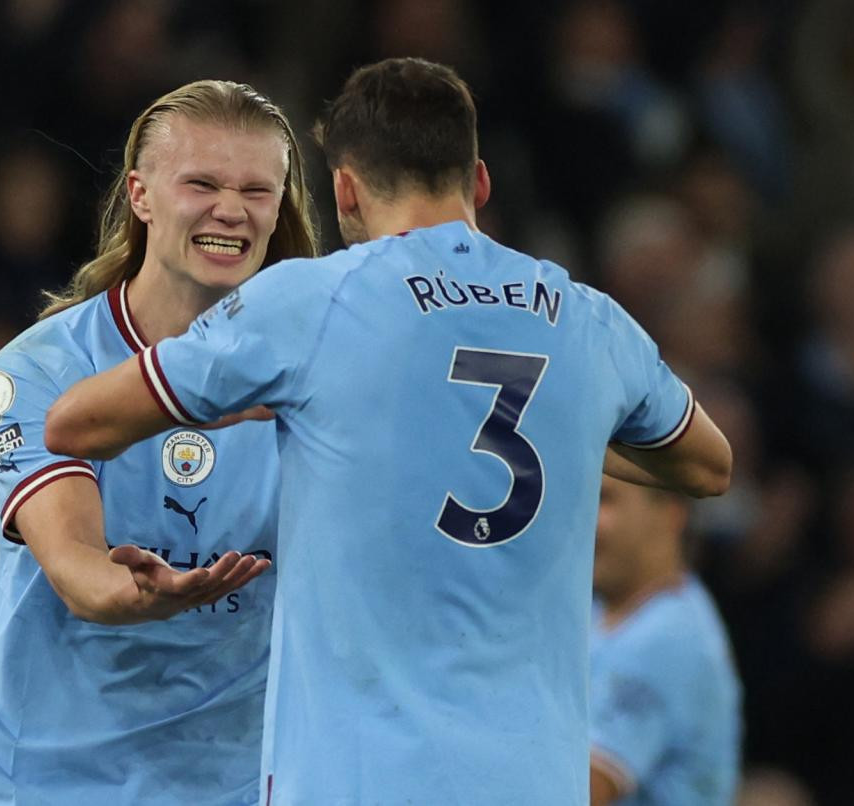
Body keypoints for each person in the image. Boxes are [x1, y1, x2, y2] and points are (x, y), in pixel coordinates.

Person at [45, 58, 732, 804]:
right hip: (532, 783)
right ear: (479, 182)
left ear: (343, 188)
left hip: (360, 781)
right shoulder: (585, 317)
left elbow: (75, 422)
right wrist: (555, 427)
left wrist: (236, 402)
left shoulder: (314, 303)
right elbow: (706, 466)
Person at [0, 80, 318, 806]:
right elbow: (75, 567)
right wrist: (137, 596)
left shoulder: (314, 379)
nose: (231, 209)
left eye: (258, 189)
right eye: (202, 183)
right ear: (141, 195)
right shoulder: (34, 373)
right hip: (52, 789)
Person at [590, 475, 741, 805]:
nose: (587, 519)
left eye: (605, 499)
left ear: (670, 514)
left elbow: (582, 790)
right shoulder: (593, 611)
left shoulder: (671, 638)